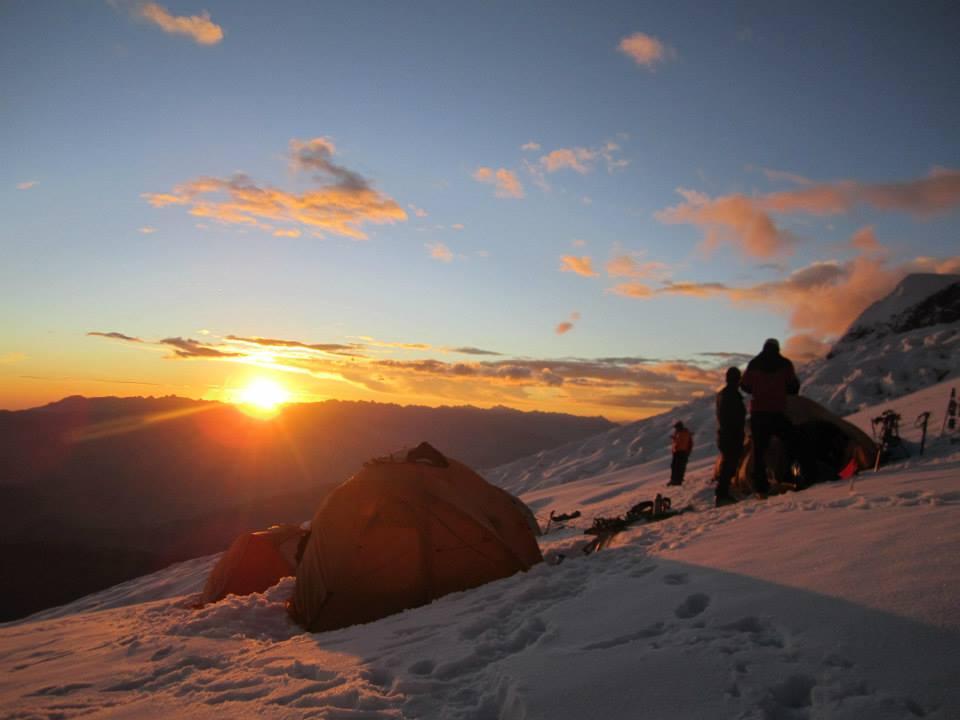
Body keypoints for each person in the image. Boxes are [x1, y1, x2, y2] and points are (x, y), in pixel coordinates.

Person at [740, 338, 815, 495]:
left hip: (758, 413)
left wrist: (758, 390)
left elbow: (744, 385)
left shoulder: (754, 364)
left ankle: (760, 486)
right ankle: (794, 477)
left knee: (759, 451)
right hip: (777, 412)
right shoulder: (784, 364)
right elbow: (793, 386)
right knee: (792, 444)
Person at [715, 366, 745, 507]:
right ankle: (722, 495)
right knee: (729, 464)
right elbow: (736, 416)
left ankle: (723, 493)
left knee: (727, 464)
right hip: (732, 434)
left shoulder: (723, 394)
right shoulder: (732, 395)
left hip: (725, 434)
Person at [668, 421, 693, 486]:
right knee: (675, 466)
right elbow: (679, 442)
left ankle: (677, 481)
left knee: (679, 466)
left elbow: (685, 442)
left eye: (676, 427)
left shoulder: (684, 433)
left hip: (682, 452)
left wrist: (688, 452)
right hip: (678, 452)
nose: (676, 428)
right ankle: (674, 480)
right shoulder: (680, 433)